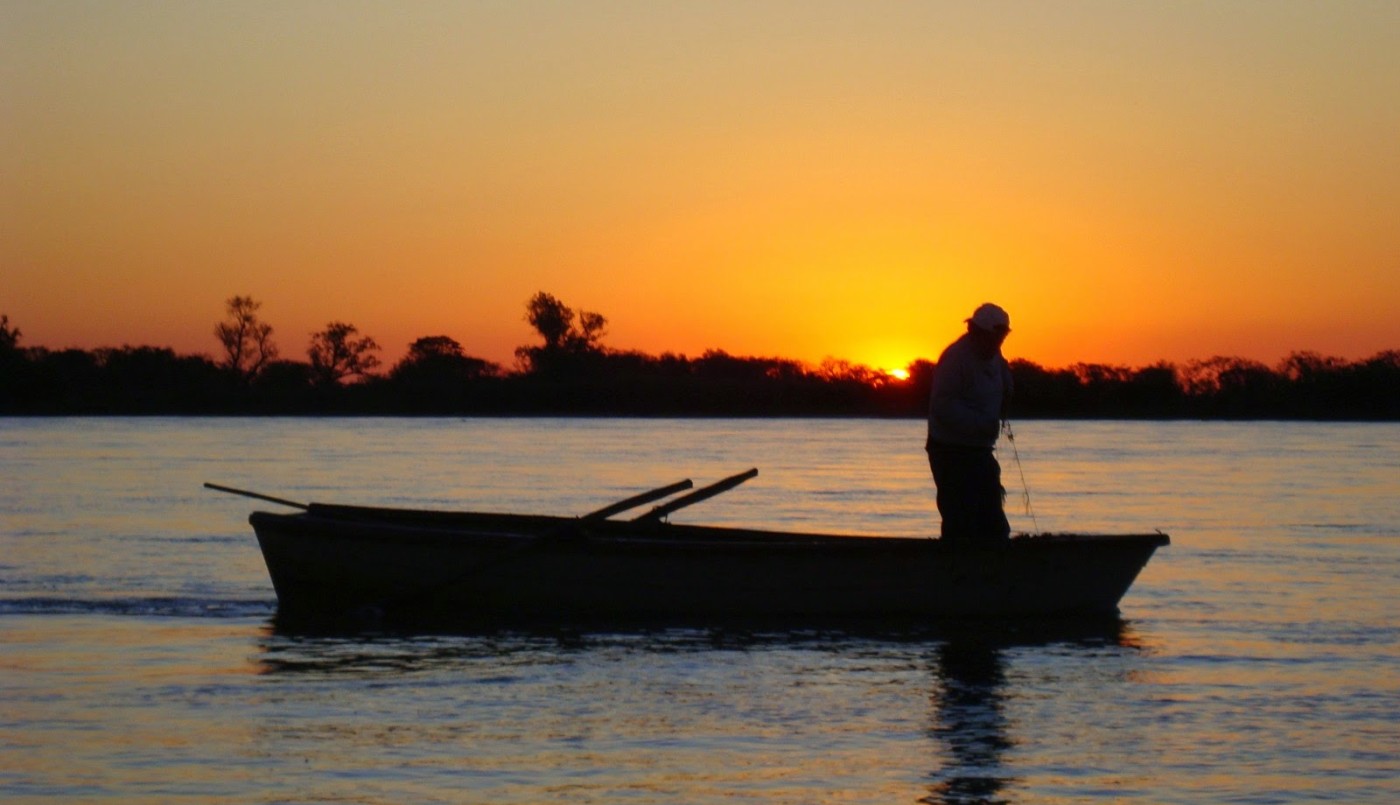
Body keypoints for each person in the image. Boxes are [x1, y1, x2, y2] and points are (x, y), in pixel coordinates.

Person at [926, 303, 1014, 544]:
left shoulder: (995, 356)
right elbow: (943, 407)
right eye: (994, 337)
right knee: (959, 518)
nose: (997, 343)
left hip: (980, 449)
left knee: (992, 519)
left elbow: (1003, 380)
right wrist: (981, 424)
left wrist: (1007, 391)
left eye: (1001, 338)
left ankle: (994, 557)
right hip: (949, 450)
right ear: (976, 332)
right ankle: (955, 561)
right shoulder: (955, 358)